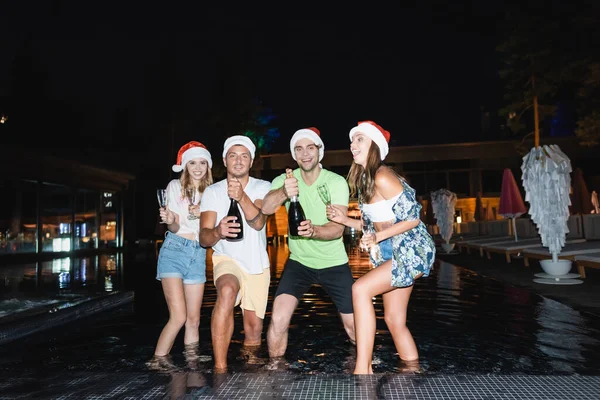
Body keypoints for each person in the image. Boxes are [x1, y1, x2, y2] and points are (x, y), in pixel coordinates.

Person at [327, 120, 435, 375]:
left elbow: (413, 218)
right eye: (352, 140)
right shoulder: (366, 180)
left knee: (360, 290)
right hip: (391, 252)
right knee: (394, 320)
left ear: (375, 145)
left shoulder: (383, 176)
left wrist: (377, 237)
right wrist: (345, 221)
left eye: (360, 140)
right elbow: (373, 224)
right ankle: (413, 371)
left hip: (411, 249)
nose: (353, 145)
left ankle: (362, 369)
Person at [262, 127, 356, 368]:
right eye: (299, 149)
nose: (305, 154)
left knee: (354, 326)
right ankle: (275, 373)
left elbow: (337, 229)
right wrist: (284, 191)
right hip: (299, 262)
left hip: (334, 263)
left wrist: (314, 230)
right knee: (279, 319)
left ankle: (366, 365)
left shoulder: (335, 182)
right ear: (294, 154)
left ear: (319, 151)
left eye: (310, 148)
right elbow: (265, 208)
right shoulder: (285, 179)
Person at [199, 135, 271, 373]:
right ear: (224, 160)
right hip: (226, 258)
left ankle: (250, 374)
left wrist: (241, 196)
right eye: (233, 155)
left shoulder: (263, 187)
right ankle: (220, 369)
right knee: (227, 290)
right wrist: (218, 231)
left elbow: (259, 222)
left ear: (251, 161)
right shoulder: (212, 191)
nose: (238, 161)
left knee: (252, 332)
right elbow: (203, 237)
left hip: (257, 263)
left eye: (244, 156)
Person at [148, 141, 214, 371]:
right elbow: (175, 227)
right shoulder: (175, 186)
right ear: (185, 165)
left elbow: (213, 230)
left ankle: (192, 361)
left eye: (202, 162)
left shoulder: (213, 192)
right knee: (178, 316)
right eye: (192, 162)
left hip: (198, 253)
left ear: (208, 165)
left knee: (194, 319)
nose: (197, 167)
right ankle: (158, 359)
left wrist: (204, 213)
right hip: (175, 249)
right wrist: (171, 220)